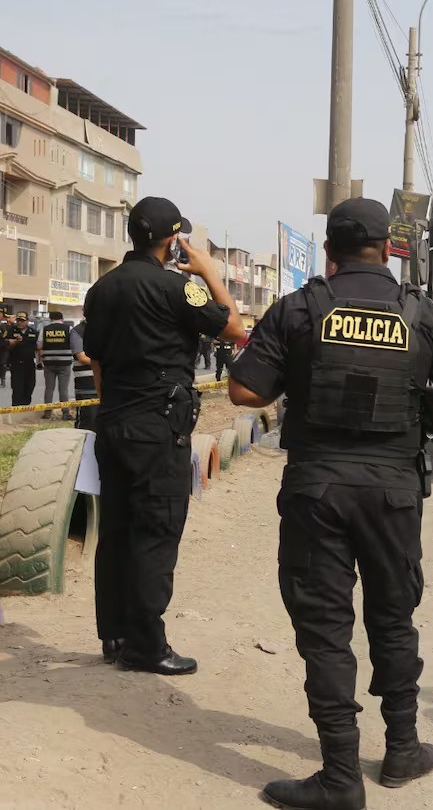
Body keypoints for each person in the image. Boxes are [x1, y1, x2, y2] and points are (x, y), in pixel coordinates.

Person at [228, 197, 433, 810]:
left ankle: (340, 777)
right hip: (393, 491)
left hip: (317, 488)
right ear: (389, 247)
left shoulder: (300, 308)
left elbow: (243, 390)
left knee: (325, 630)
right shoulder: (422, 313)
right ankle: (402, 749)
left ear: (329, 249)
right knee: (393, 619)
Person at [83, 196, 243, 674]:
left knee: (116, 529)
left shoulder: (102, 288)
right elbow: (234, 328)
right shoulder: (178, 289)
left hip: (113, 422)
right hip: (157, 428)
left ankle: (115, 636)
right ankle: (147, 647)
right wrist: (210, 271)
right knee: (155, 530)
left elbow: (97, 363)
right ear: (173, 240)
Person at [37, 311, 75, 420]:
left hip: (49, 363)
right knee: (63, 389)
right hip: (65, 363)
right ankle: (65, 413)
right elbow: (73, 344)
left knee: (49, 388)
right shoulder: (69, 329)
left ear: (50, 318)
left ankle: (47, 413)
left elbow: (39, 345)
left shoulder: (45, 329)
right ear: (62, 319)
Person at [70, 320, 98, 431]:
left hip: (107, 383)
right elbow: (82, 357)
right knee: (87, 422)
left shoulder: (107, 327)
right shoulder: (78, 331)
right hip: (86, 385)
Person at [7, 313, 39, 406]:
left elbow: (38, 347)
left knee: (29, 385)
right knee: (17, 387)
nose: (20, 323)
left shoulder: (33, 332)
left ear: (27, 321)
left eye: (22, 321)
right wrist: (13, 343)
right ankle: (16, 407)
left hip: (29, 363)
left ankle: (26, 406)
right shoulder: (11, 331)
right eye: (18, 321)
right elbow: (5, 345)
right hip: (16, 363)